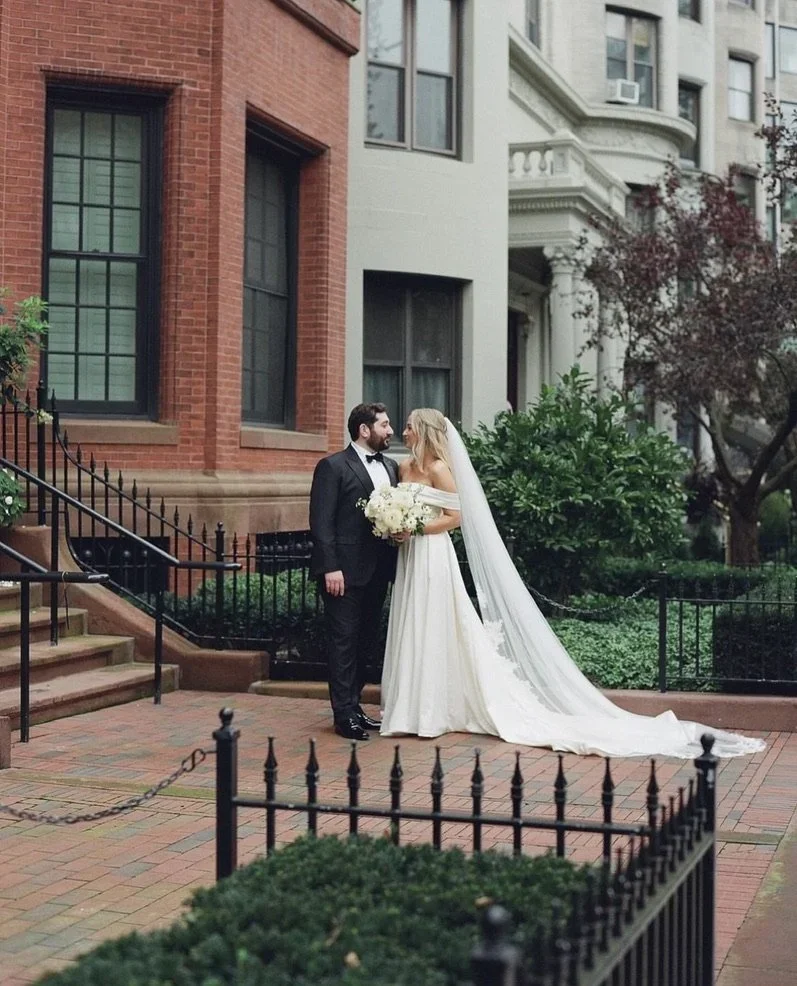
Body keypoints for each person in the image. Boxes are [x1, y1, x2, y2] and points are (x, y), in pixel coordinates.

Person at [379, 408, 765, 759]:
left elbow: (456, 517)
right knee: (412, 625)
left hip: (432, 556)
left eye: (410, 425)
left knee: (436, 625)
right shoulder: (403, 468)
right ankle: (409, 708)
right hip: (409, 557)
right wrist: (396, 529)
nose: (405, 430)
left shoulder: (440, 468)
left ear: (424, 431)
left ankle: (432, 712)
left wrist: (414, 527)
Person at [310, 403, 399, 740]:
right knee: (343, 643)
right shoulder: (332, 466)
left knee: (365, 642)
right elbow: (321, 522)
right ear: (365, 429)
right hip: (343, 574)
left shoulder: (391, 467)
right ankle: (342, 713)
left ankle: (356, 705)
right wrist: (330, 567)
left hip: (378, 571)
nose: (389, 431)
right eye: (385, 425)